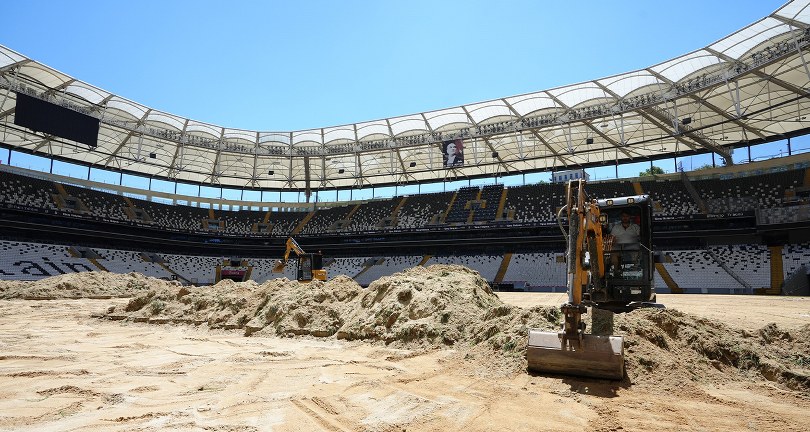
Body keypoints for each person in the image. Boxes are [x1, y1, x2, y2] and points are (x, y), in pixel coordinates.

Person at [607, 210, 640, 276]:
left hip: (632, 247)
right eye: (623, 216)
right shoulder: (616, 227)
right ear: (621, 217)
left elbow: (640, 237)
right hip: (619, 247)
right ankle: (616, 270)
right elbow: (612, 238)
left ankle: (635, 267)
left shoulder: (635, 227)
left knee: (637, 250)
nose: (625, 218)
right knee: (613, 253)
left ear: (630, 217)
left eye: (627, 216)